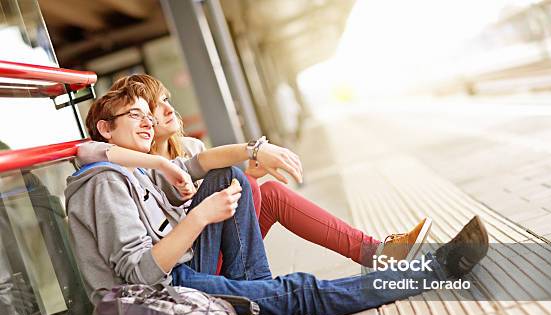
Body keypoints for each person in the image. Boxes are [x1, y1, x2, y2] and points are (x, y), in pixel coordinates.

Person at [65, 82, 489, 315]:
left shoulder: (138, 167)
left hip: (184, 270)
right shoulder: (106, 183)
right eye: (138, 115)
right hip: (165, 293)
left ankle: (261, 290)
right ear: (105, 129)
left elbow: (198, 163)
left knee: (230, 176)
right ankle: (431, 270)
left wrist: (252, 151)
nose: (150, 120)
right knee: (300, 291)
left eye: (148, 113)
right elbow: (141, 271)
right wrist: (200, 217)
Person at [107, 74, 431, 270]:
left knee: (267, 191)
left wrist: (252, 175)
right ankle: (374, 255)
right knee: (244, 180)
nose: (166, 110)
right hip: (192, 264)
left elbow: (229, 209)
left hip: (222, 247)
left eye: (166, 100)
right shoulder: (137, 168)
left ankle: (375, 252)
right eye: (152, 106)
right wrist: (245, 174)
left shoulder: (191, 149)